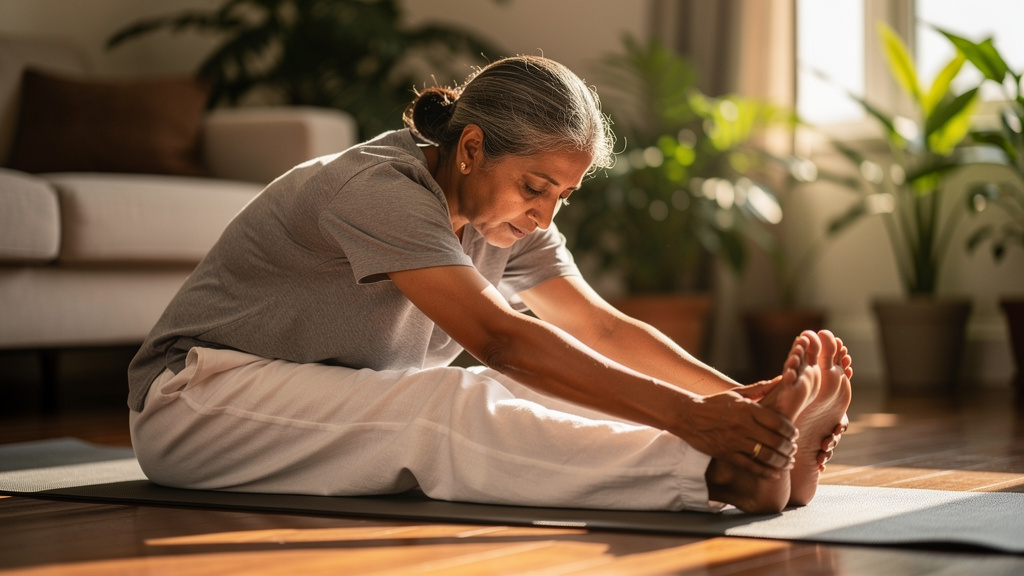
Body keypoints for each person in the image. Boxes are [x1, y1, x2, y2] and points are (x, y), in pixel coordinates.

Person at [128, 55, 852, 514]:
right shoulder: (379, 189)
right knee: (454, 401)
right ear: (470, 148)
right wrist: (693, 419)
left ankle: (754, 454)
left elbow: (599, 329)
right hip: (197, 403)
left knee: (551, 382)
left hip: (314, 395)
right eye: (535, 186)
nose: (544, 213)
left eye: (561, 196)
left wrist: (730, 397)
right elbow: (502, 339)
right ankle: (722, 476)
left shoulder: (506, 217)